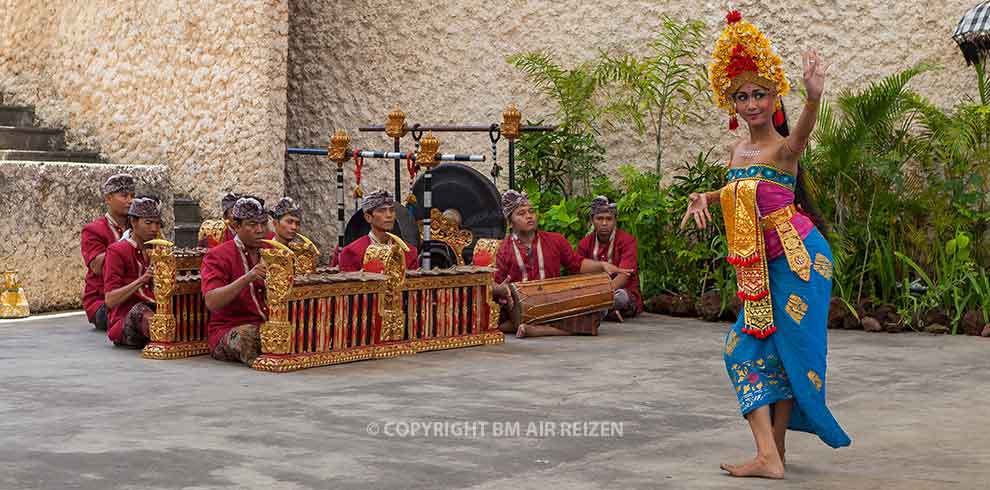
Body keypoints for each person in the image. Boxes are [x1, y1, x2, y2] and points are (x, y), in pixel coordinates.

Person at [680, 10, 850, 479]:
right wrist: (707, 197)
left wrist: (814, 98)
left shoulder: (783, 147)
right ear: (731, 103)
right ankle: (772, 454)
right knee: (767, 353)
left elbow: (802, 135)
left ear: (775, 97)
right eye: (742, 96)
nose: (751, 103)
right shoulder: (739, 152)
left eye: (759, 94)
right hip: (764, 263)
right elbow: (746, 189)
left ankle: (768, 455)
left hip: (800, 261)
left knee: (747, 349)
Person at [493, 190, 631, 338]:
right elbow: (495, 284)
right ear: (510, 222)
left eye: (531, 211)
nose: (529, 216)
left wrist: (601, 265)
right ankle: (530, 326)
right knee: (495, 318)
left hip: (553, 303)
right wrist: (501, 290)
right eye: (521, 213)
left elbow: (576, 264)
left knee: (592, 312)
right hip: (521, 307)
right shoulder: (504, 249)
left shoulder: (555, 240)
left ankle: (533, 329)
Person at [200, 197, 270, 366]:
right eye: (252, 225)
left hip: (266, 325)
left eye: (263, 224)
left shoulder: (272, 252)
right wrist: (248, 278)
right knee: (248, 335)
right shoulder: (218, 255)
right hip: (230, 330)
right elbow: (212, 301)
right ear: (236, 226)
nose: (260, 230)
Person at [102, 196, 162, 347]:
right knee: (140, 311)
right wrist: (142, 280)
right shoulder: (117, 251)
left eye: (157, 223)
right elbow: (110, 300)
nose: (154, 229)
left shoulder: (159, 250)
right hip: (126, 319)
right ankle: (163, 335)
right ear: (133, 222)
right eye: (148, 223)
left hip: (154, 308)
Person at [80, 173, 135, 331]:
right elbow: (97, 267)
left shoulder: (138, 226)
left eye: (132, 196)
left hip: (135, 294)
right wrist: (125, 242)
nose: (130, 201)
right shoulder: (93, 230)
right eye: (124, 196)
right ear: (109, 198)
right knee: (137, 314)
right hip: (102, 302)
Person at [576, 196, 642, 320]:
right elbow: (579, 274)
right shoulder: (584, 244)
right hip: (592, 292)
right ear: (592, 220)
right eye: (599, 219)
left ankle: (599, 311)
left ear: (615, 220)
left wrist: (599, 296)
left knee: (621, 297)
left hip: (620, 291)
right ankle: (607, 312)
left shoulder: (627, 241)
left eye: (609, 219)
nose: (604, 223)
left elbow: (624, 276)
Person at [338, 190, 419, 272]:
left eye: (391, 210)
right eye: (382, 211)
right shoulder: (352, 252)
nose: (389, 215)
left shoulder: (409, 252)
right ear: (368, 217)